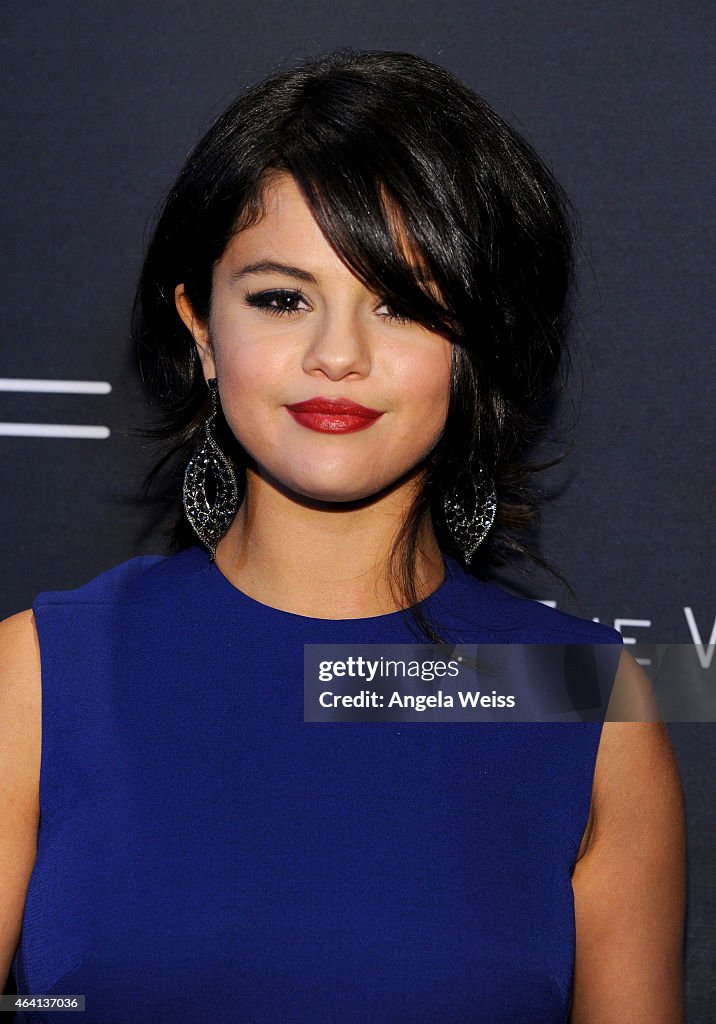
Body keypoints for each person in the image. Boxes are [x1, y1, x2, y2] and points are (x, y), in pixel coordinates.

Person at [0, 47, 685, 1023]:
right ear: (199, 325)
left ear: (474, 341)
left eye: (400, 304)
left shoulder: (582, 700)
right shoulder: (40, 676)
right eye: (281, 297)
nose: (335, 355)